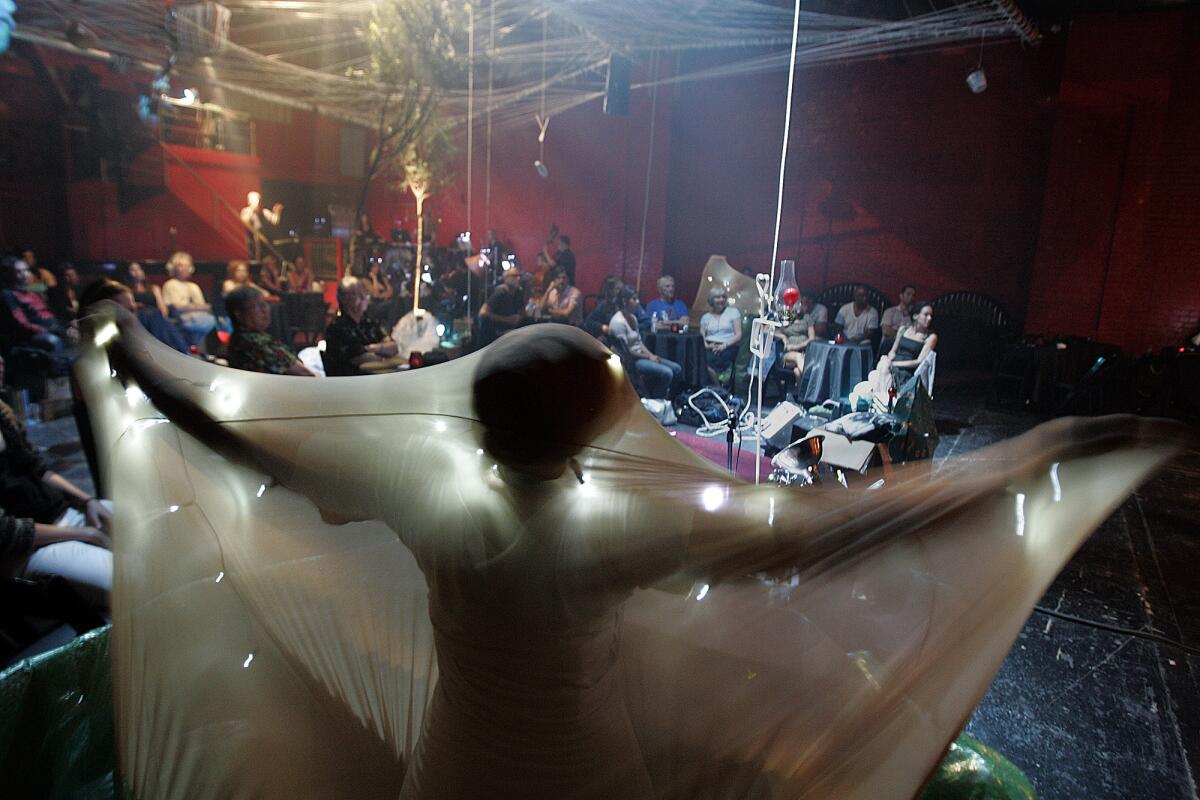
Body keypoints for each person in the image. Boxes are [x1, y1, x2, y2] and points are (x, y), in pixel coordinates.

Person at [0, 393, 112, 608]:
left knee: (148, 531)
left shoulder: (3, 413)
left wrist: (89, 501)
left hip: (61, 515)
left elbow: (40, 470)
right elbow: (7, 532)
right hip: (26, 550)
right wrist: (86, 533)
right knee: (127, 581)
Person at [224, 287, 317, 377]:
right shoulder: (253, 342)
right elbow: (305, 374)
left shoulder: (248, 336)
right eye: (258, 306)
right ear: (238, 314)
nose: (265, 310)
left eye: (265, 304)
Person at [608, 286, 681, 399]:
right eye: (634, 299)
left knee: (677, 368)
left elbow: (639, 341)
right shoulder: (618, 322)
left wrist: (651, 355)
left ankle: (669, 400)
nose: (638, 302)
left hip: (642, 356)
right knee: (668, 373)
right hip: (631, 361)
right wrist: (648, 357)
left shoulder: (633, 317)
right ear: (624, 301)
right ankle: (655, 401)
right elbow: (627, 352)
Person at [323, 278, 399, 376]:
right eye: (356, 294)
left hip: (375, 379)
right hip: (349, 382)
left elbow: (394, 347)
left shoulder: (369, 322)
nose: (363, 297)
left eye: (364, 293)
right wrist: (383, 353)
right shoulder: (337, 327)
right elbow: (361, 359)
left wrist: (371, 348)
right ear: (343, 299)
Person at [0, 255, 75, 353]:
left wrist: (67, 328)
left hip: (55, 330)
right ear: (8, 274)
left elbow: (52, 314)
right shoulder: (8, 295)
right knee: (53, 341)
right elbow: (22, 324)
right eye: (19, 271)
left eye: (26, 270)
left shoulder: (33, 294)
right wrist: (53, 331)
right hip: (33, 336)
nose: (25, 274)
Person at [121, 263, 188, 353]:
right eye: (133, 270)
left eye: (139, 269)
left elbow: (162, 307)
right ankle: (166, 349)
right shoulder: (127, 290)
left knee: (164, 322)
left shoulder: (154, 288)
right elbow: (130, 306)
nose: (137, 272)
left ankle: (182, 352)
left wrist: (161, 314)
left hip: (155, 315)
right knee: (151, 317)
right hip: (139, 316)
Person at [875, 302, 938, 393]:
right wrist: (888, 358)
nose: (929, 318)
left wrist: (895, 364)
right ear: (915, 316)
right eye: (926, 315)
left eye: (931, 316)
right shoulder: (903, 329)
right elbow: (893, 350)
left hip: (908, 369)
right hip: (894, 362)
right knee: (882, 366)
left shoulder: (930, 337)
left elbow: (918, 361)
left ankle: (885, 399)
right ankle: (883, 399)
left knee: (884, 369)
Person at [161, 251, 216, 350]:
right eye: (180, 266)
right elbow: (175, 307)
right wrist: (193, 307)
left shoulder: (194, 286)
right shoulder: (170, 284)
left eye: (187, 265)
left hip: (198, 319)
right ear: (174, 268)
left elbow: (204, 306)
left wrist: (190, 306)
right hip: (179, 320)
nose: (184, 268)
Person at [699, 286, 742, 385]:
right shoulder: (706, 317)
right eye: (717, 297)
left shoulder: (733, 312)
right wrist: (708, 346)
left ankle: (717, 389)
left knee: (707, 362)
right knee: (699, 360)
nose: (721, 300)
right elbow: (701, 337)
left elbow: (738, 334)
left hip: (728, 346)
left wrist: (724, 346)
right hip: (709, 346)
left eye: (723, 297)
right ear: (711, 300)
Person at [478, 268, 526, 345]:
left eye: (519, 276)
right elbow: (483, 312)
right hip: (497, 332)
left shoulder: (518, 293)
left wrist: (519, 318)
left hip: (513, 330)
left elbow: (523, 312)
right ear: (506, 278)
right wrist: (506, 320)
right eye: (514, 276)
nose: (518, 278)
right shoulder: (500, 293)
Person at [240, 191, 283, 260]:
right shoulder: (246, 210)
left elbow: (275, 221)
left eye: (259, 199)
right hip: (254, 240)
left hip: (265, 240)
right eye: (255, 199)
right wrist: (253, 209)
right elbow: (245, 221)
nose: (258, 201)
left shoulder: (264, 211)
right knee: (255, 260)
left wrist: (277, 212)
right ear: (249, 201)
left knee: (268, 259)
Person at [583, 275, 624, 340]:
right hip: (608, 335)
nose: (620, 291)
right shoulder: (603, 305)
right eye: (617, 289)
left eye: (621, 289)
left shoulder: (624, 303)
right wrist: (602, 327)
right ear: (610, 290)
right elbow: (589, 321)